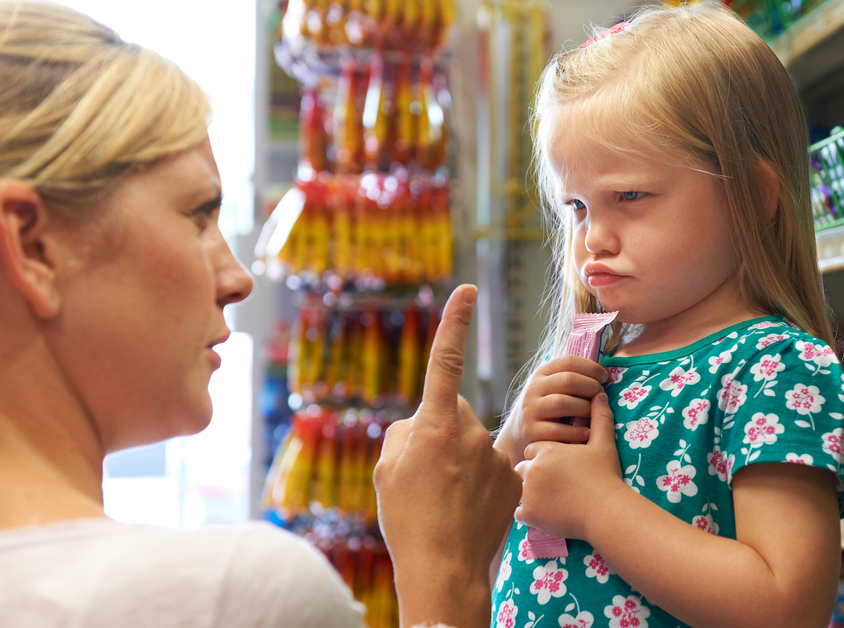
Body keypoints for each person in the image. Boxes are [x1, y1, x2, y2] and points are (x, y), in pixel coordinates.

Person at [0, 3, 518, 627]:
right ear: (33, 246)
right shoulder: (229, 595)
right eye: (197, 215)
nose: (238, 279)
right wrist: (447, 572)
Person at [491, 3, 844, 627]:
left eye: (629, 197)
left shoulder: (774, 367)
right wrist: (514, 442)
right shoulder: (601, 362)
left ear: (753, 197)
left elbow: (786, 607)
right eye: (576, 205)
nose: (593, 238)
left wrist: (597, 506)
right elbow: (481, 531)